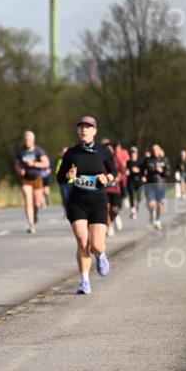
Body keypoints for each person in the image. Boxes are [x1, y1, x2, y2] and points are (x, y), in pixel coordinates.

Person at [56, 116, 117, 294]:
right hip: (77, 203)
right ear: (78, 131)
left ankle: (100, 255)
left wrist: (107, 178)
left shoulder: (104, 151)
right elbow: (60, 178)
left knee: (96, 245)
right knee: (83, 241)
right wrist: (69, 174)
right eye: (81, 127)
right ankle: (84, 281)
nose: (84, 130)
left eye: (88, 127)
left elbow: (114, 171)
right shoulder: (71, 153)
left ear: (94, 131)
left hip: (98, 202)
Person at [14, 130, 49, 234]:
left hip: (37, 178)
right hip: (26, 179)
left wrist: (34, 164)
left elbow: (46, 163)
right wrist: (20, 170)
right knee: (28, 201)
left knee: (37, 203)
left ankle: (34, 214)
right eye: (25, 139)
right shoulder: (20, 151)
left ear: (33, 140)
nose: (27, 141)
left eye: (29, 139)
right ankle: (31, 224)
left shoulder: (38, 151)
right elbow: (17, 164)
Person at [143, 144, 169, 230]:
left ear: (160, 150)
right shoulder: (148, 160)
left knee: (159, 205)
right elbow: (142, 169)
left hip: (161, 185)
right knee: (150, 204)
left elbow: (168, 172)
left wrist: (162, 171)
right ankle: (152, 213)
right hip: (150, 185)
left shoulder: (164, 159)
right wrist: (143, 176)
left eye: (156, 150)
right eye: (153, 150)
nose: (155, 151)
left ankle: (157, 220)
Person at [106, 143, 129, 235]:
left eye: (110, 149)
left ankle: (113, 219)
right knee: (106, 209)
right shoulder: (100, 160)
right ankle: (109, 227)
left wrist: (119, 177)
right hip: (104, 190)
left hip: (115, 189)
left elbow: (123, 171)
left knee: (115, 209)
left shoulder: (116, 160)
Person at [126, 146, 142, 219]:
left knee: (139, 197)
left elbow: (143, 171)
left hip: (138, 180)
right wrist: (127, 171)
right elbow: (126, 171)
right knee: (131, 195)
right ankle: (133, 211)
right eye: (132, 153)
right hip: (131, 181)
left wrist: (138, 170)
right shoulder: (128, 162)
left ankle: (137, 208)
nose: (133, 154)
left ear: (137, 153)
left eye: (134, 152)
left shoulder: (140, 162)